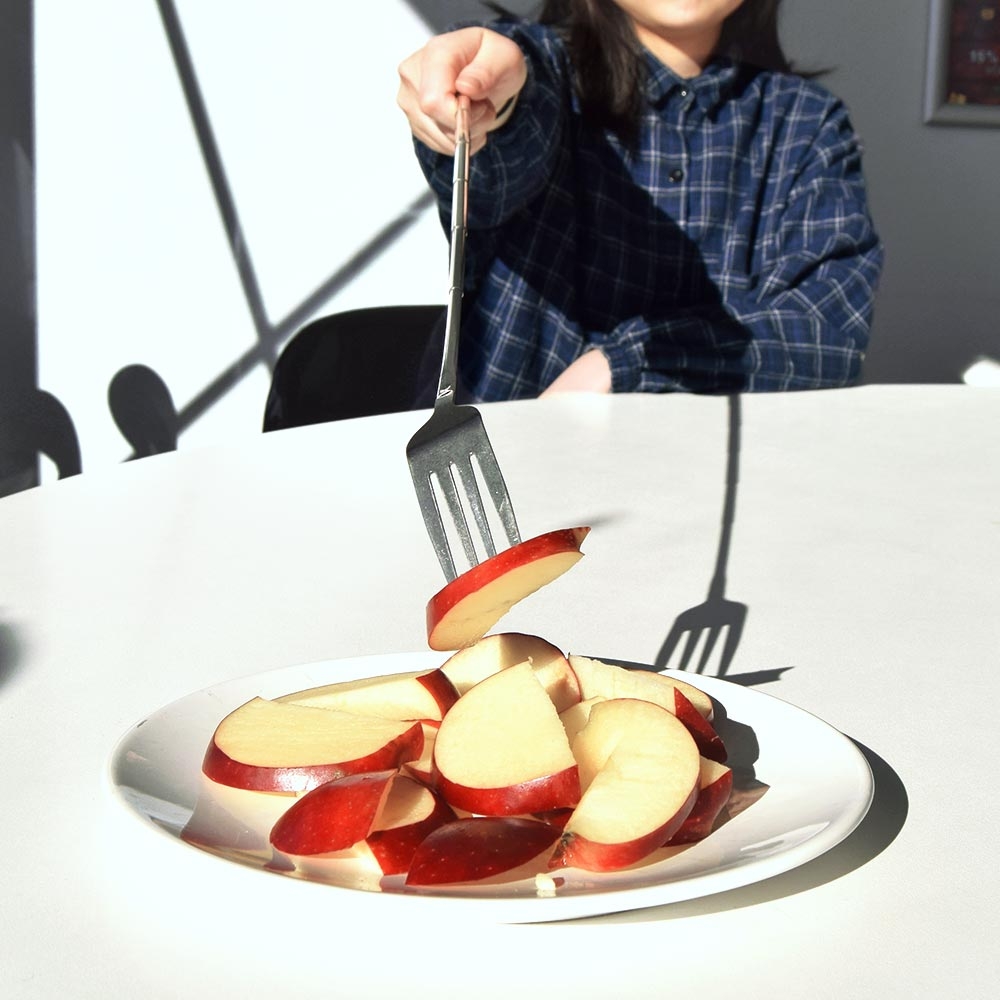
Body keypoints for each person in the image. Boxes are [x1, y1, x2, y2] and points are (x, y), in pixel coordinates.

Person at [397, 0, 884, 400]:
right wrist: (480, 99)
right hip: (501, 487)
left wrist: (619, 366)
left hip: (722, 490)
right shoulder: (541, 76)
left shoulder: (806, 122)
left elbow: (826, 335)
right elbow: (497, 160)